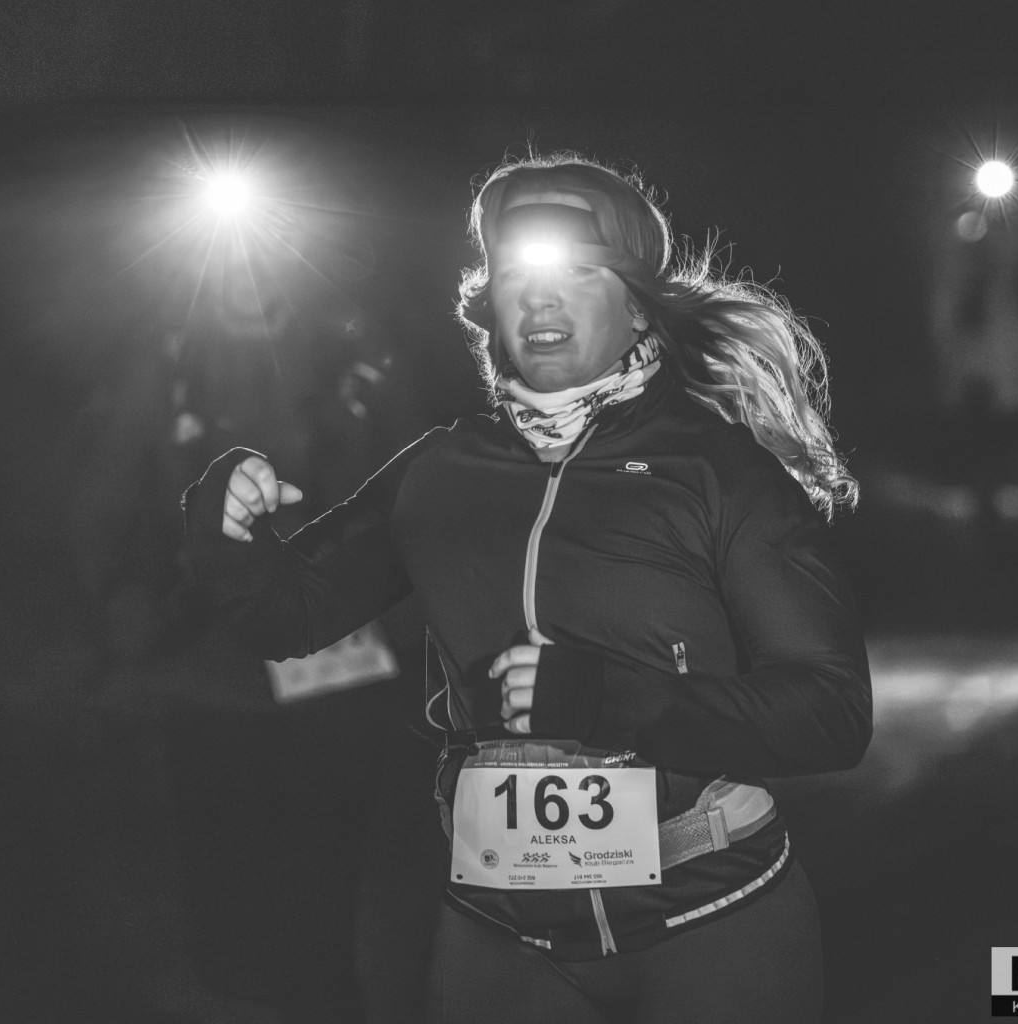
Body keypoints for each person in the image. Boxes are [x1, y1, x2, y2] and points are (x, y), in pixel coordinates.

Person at [181, 152, 872, 1024]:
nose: (540, 301)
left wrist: (607, 698)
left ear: (637, 305)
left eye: (577, 273)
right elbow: (293, 614)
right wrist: (229, 538)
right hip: (501, 939)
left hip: (712, 919)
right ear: (489, 306)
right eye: (516, 276)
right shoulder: (441, 469)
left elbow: (832, 712)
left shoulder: (722, 472)